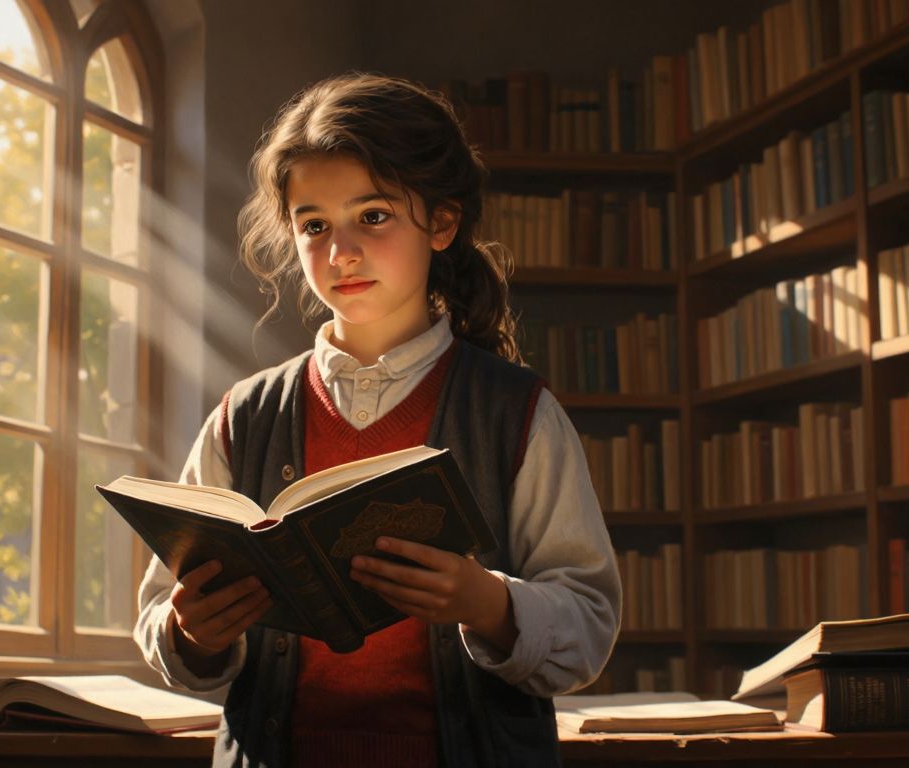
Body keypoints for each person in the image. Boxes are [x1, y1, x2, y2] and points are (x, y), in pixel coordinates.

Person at [134, 72, 621, 768]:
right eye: (314, 226)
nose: (341, 254)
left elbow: (590, 625)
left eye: (373, 216)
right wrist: (194, 633)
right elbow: (161, 616)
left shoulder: (517, 412)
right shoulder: (243, 417)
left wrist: (487, 602)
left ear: (443, 222)